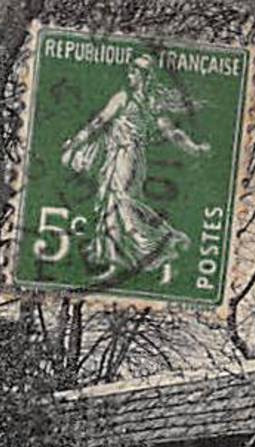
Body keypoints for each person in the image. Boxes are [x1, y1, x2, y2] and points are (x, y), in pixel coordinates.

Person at [59, 53, 210, 284]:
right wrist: (195, 148)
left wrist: (75, 142)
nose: (129, 75)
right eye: (129, 71)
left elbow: (98, 123)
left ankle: (157, 243)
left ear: (143, 76)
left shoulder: (124, 98)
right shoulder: (151, 104)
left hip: (124, 155)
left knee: (118, 201)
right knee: (115, 201)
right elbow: (173, 134)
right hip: (131, 158)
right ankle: (117, 255)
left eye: (133, 72)